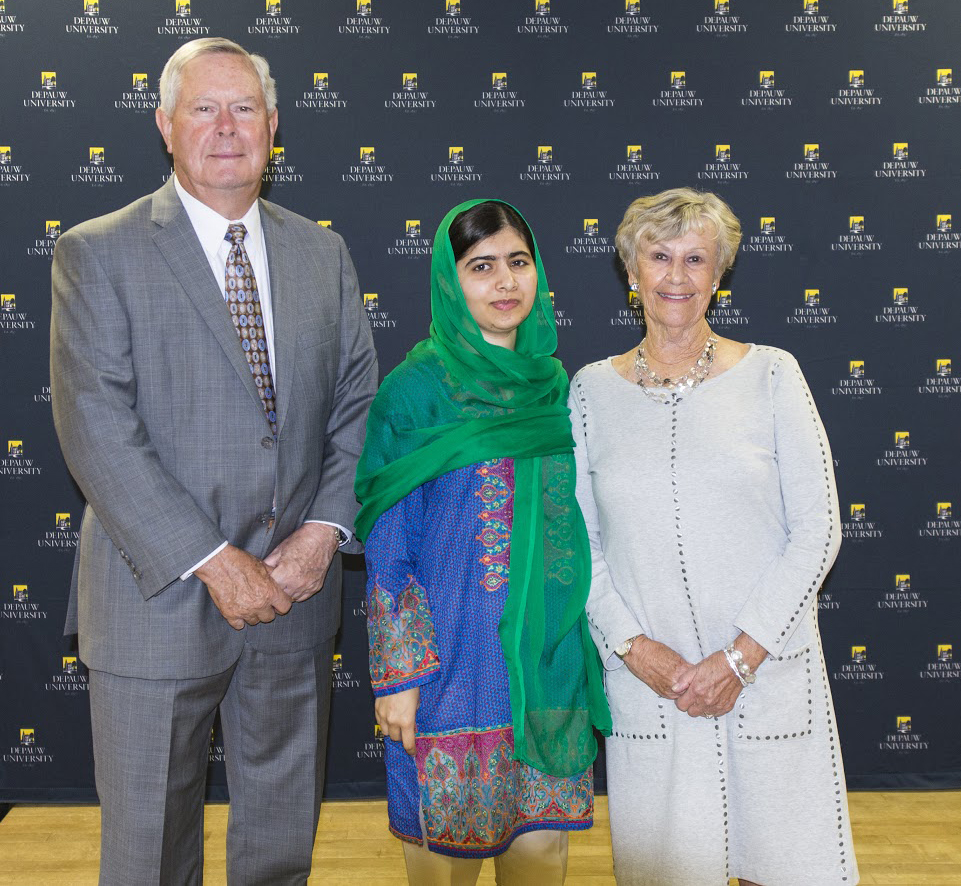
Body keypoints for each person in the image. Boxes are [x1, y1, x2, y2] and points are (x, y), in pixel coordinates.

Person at [50, 38, 377, 886]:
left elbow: (358, 410)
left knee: (277, 842)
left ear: (274, 127)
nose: (225, 127)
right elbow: (95, 426)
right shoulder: (98, 250)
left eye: (244, 109)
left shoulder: (323, 253)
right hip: (156, 595)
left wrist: (319, 537)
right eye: (203, 108)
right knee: (149, 851)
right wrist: (213, 560)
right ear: (165, 126)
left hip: (295, 596)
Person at [569, 188, 860, 886]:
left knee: (784, 870)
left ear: (719, 273)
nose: (676, 276)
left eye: (695, 258)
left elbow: (818, 528)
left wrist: (739, 658)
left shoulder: (771, 374)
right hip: (653, 689)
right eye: (659, 256)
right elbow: (576, 547)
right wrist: (635, 651)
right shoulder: (587, 391)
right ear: (630, 272)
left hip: (765, 677)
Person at [354, 199, 611, 884]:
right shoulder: (414, 393)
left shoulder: (554, 387)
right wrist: (400, 678)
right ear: (449, 279)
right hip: (444, 673)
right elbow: (387, 543)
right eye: (481, 266)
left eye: (518, 263)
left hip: (541, 664)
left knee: (540, 852)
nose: (505, 282)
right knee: (442, 862)